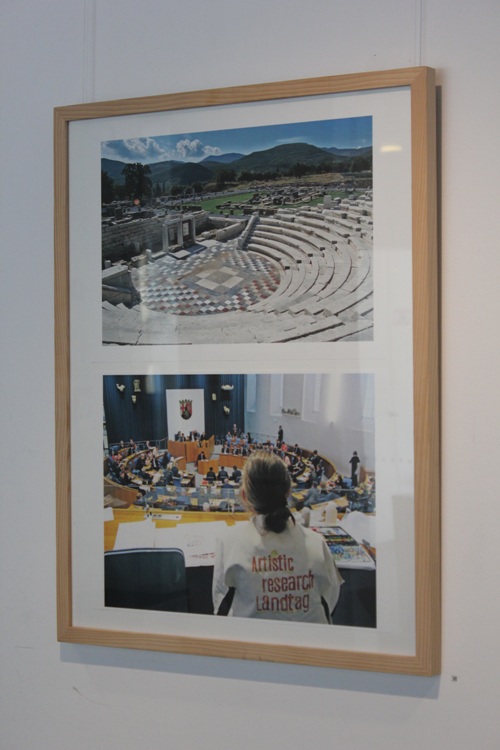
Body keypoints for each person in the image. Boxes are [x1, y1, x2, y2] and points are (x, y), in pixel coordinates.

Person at [213, 451, 342, 623]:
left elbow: (220, 606)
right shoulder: (317, 543)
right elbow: (330, 599)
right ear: (288, 492)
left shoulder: (228, 541)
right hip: (311, 644)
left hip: (251, 644)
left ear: (244, 496)